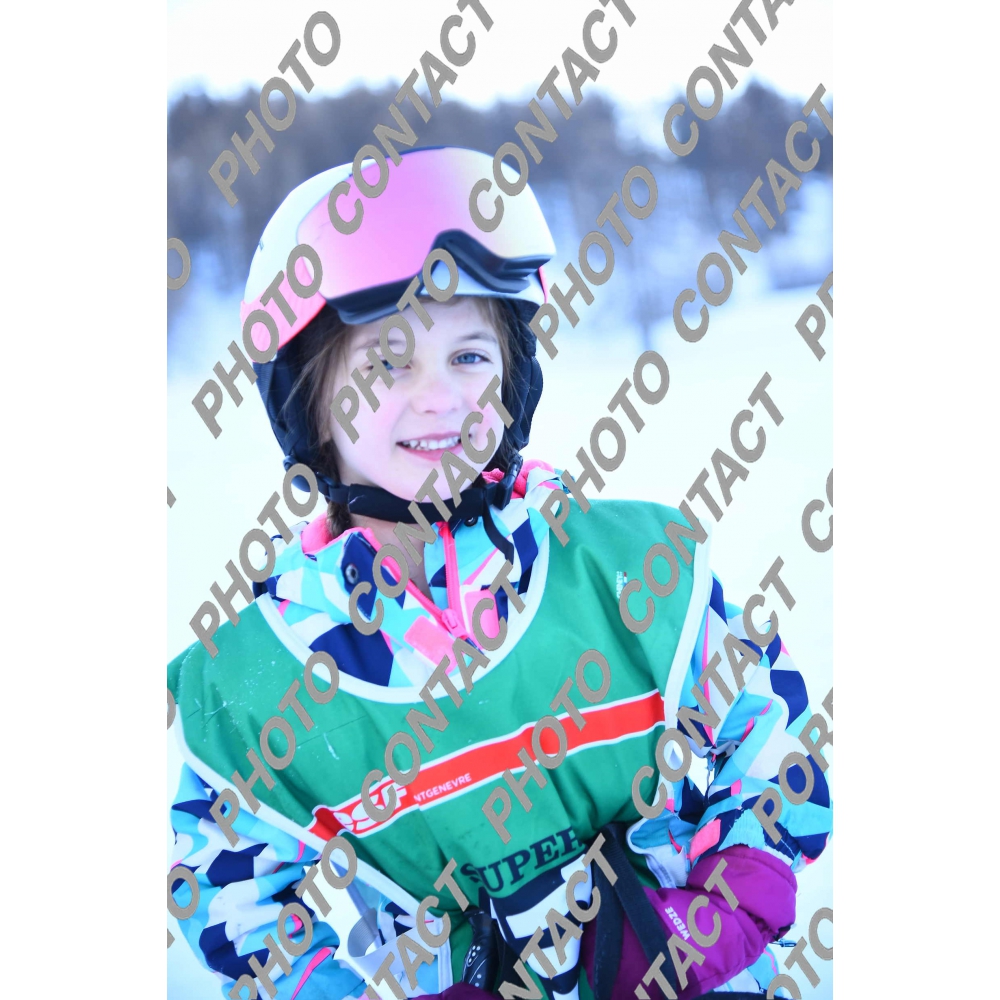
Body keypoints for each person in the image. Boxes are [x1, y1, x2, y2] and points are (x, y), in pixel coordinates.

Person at [168, 146, 831, 1000]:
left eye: (470, 357)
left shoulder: (630, 571)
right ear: (307, 404)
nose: (441, 398)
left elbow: (773, 745)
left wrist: (716, 919)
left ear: (514, 377)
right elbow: (230, 898)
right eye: (387, 363)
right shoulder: (267, 678)